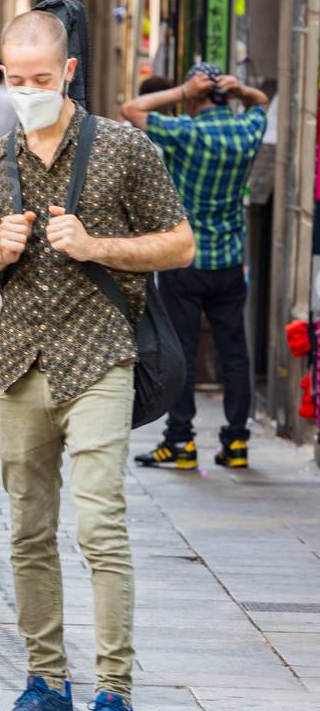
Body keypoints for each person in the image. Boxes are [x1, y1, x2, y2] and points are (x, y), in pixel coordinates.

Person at [0, 8, 194, 711]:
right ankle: (46, 684)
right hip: (21, 363)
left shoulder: (122, 149)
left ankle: (115, 695)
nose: (27, 93)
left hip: (102, 357)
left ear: (69, 73)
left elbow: (179, 244)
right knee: (27, 529)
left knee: (98, 524)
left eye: (41, 80)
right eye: (15, 81)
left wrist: (95, 246)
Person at [123, 63, 268, 471]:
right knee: (235, 353)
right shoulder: (247, 130)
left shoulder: (187, 132)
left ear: (194, 98)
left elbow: (132, 109)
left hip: (184, 260)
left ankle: (181, 440)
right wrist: (242, 90)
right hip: (229, 261)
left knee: (182, 350)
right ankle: (237, 442)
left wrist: (181, 91)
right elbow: (263, 104)